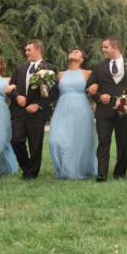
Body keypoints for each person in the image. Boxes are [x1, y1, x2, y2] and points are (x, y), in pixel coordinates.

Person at [87, 36, 127, 182]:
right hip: (104, 112)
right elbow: (89, 88)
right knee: (103, 142)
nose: (103, 50)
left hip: (124, 110)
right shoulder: (98, 67)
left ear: (115, 47)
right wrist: (99, 97)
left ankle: (120, 173)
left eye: (105, 47)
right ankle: (102, 174)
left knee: (123, 143)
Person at [7, 39, 56, 181]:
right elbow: (11, 88)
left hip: (37, 113)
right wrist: (16, 97)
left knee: (35, 144)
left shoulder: (50, 68)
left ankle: (31, 174)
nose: (26, 52)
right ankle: (27, 166)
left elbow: (53, 92)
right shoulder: (20, 69)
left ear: (38, 50)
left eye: (29, 50)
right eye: (26, 50)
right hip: (19, 112)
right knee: (16, 140)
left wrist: (38, 105)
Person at [48, 49, 97, 180]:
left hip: (81, 108)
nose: (73, 52)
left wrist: (95, 88)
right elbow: (53, 93)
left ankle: (76, 170)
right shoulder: (61, 74)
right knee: (55, 140)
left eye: (77, 52)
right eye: (72, 51)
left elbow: (94, 89)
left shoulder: (87, 73)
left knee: (79, 140)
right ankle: (61, 167)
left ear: (82, 59)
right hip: (62, 108)